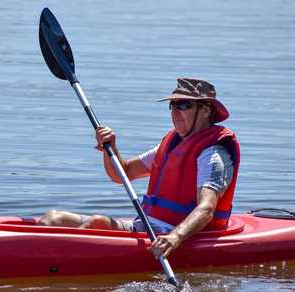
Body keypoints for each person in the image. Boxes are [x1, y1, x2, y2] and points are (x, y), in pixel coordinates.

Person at [38, 77, 240, 260]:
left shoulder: (213, 155)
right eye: (173, 105)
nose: (176, 111)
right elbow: (122, 174)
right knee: (53, 218)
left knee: (97, 223)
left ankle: (52, 264)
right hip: (146, 226)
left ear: (205, 110)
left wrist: (175, 237)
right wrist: (111, 149)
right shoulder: (171, 145)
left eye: (184, 105)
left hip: (178, 236)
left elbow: (206, 209)